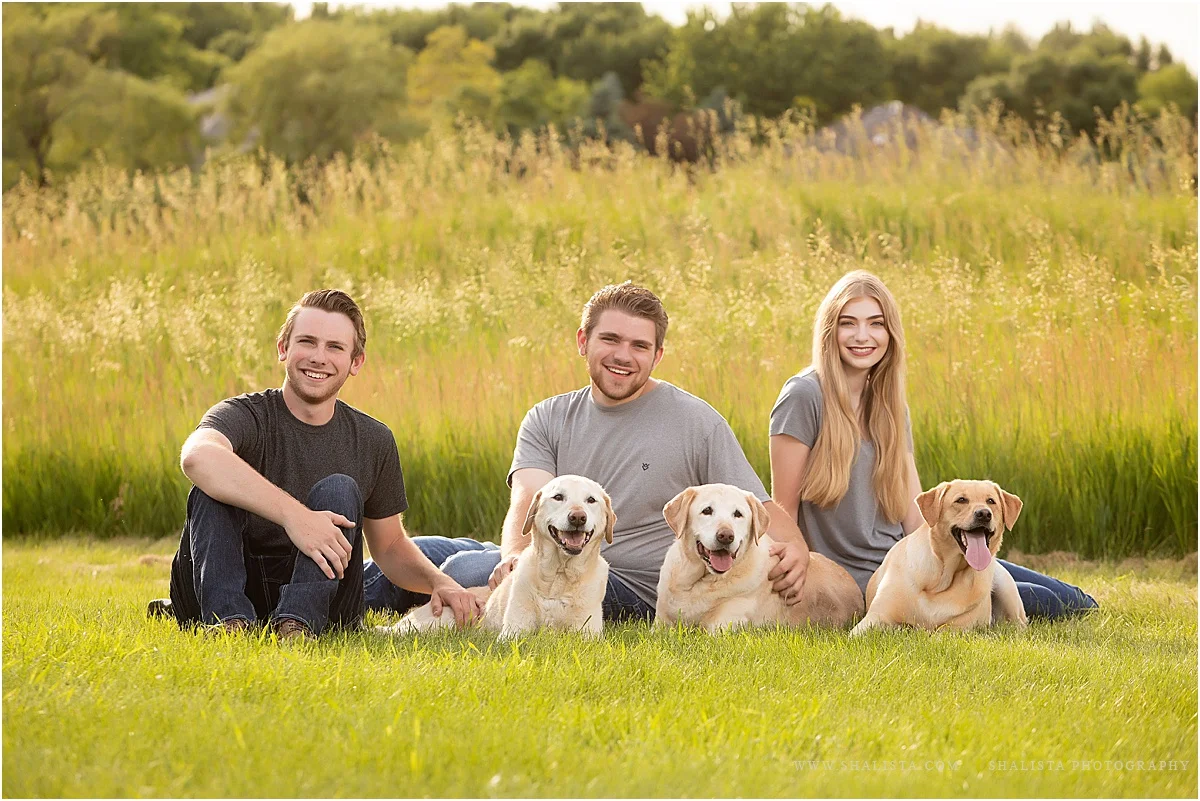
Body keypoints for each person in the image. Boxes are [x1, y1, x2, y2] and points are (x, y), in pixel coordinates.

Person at [364, 282, 812, 622]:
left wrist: (798, 550)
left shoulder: (697, 423)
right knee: (426, 550)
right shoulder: (548, 416)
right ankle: (319, 608)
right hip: (549, 557)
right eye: (610, 340)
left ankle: (389, 611)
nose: (624, 355)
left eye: (640, 346)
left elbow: (760, 507)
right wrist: (514, 561)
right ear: (583, 341)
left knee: (462, 568)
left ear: (657, 356)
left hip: (621, 584)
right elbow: (529, 499)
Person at [147, 289, 482, 638]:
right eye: (307, 342)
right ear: (283, 348)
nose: (319, 357)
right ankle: (228, 625)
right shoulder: (243, 415)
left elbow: (390, 546)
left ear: (356, 362)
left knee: (340, 488)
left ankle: (297, 626)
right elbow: (197, 456)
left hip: (324, 602)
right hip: (224, 591)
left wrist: (439, 581)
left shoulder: (373, 440)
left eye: (335, 347)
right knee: (211, 489)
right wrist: (297, 518)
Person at [768, 270, 1097, 619]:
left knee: (1073, 600)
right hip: (867, 583)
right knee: (1046, 604)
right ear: (829, 331)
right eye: (848, 323)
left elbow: (915, 514)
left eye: (876, 323)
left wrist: (952, 567)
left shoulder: (889, 403)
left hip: (919, 560)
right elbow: (782, 510)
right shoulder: (803, 396)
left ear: (890, 333)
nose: (862, 336)